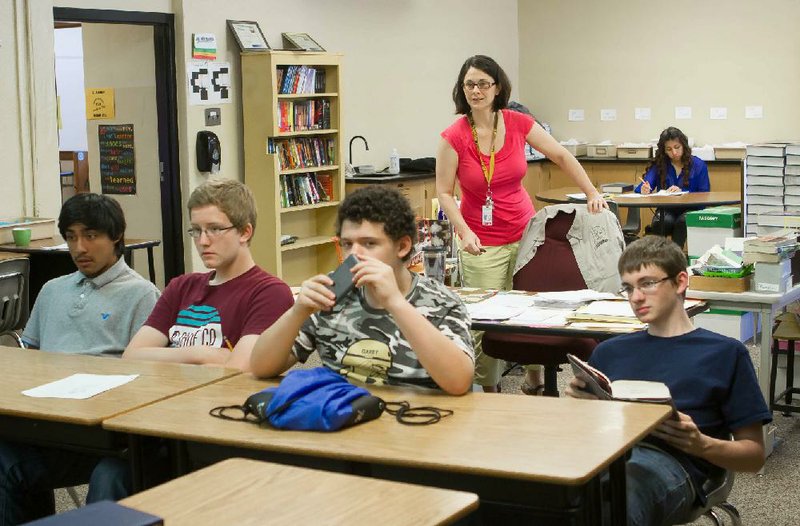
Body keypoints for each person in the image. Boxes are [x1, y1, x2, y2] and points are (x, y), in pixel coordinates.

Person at [566, 236, 770, 526]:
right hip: (606, 455)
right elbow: (581, 435)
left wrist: (701, 444)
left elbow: (754, 456)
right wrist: (577, 407)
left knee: (620, 497)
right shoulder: (609, 351)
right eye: (628, 287)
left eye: (647, 283)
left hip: (673, 465)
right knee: (536, 490)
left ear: (680, 282)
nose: (636, 297)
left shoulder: (725, 353)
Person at [435, 54, 608, 394]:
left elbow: (560, 154)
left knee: (532, 308)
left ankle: (534, 377)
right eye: (470, 84)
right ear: (462, 90)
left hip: (526, 233)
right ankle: (488, 389)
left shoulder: (518, 122)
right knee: (485, 319)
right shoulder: (453, 136)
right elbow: (443, 192)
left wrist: (590, 191)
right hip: (480, 239)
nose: (476, 90)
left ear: (497, 87)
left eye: (483, 83)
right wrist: (464, 231)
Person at [1, 193, 160, 525]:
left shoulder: (142, 295)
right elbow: (29, 358)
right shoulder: (53, 290)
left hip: (105, 437)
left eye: (90, 236)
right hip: (49, 424)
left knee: (110, 476)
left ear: (115, 237)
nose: (79, 248)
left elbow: (150, 378)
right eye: (71, 237)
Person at [250, 186, 475, 395]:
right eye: (347, 244)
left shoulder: (443, 302)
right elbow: (261, 368)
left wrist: (395, 302)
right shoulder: (330, 294)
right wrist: (297, 312)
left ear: (402, 246)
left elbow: (459, 383)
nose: (354, 255)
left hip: (417, 423)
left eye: (369, 243)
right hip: (341, 418)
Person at [124, 178, 293, 372]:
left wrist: (165, 356)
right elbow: (131, 356)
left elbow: (239, 368)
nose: (203, 241)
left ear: (245, 232)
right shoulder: (181, 286)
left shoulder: (269, 292)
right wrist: (201, 354)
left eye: (215, 229)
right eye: (196, 230)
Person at [635, 126, 710, 248]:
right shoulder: (661, 164)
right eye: (669, 149)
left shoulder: (698, 165)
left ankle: (675, 257)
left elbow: (705, 194)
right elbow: (642, 186)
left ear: (684, 146)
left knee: (682, 222)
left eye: (677, 147)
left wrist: (683, 192)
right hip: (667, 209)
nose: (674, 153)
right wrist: (644, 189)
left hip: (691, 209)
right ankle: (659, 257)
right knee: (661, 222)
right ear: (663, 150)